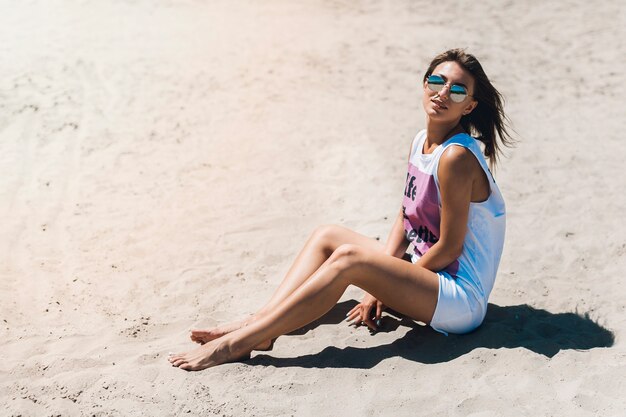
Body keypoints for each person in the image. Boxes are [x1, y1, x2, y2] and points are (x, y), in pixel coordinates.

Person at [169, 48, 513, 371]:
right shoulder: (421, 141)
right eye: (437, 82)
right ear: (425, 84)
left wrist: (382, 286)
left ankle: (235, 344)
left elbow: (451, 247)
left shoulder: (455, 157)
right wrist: (389, 276)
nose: (442, 93)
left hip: (459, 299)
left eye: (457, 91)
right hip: (430, 277)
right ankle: (262, 324)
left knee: (349, 259)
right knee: (327, 236)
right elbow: (405, 218)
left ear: (469, 106)